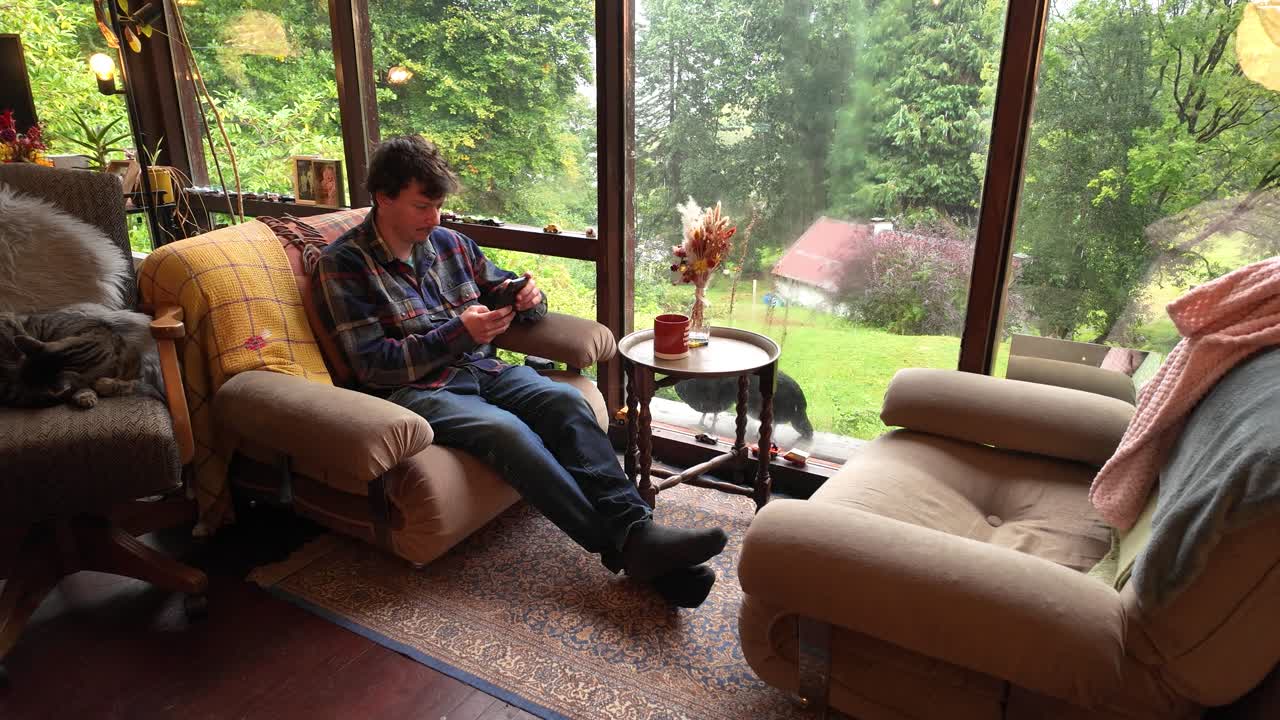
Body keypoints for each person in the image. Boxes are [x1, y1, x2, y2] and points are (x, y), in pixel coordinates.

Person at [312, 135, 727, 607]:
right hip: (415, 391)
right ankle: (632, 546)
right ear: (384, 198)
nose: (435, 218)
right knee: (506, 431)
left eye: (440, 206)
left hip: (482, 369)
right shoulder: (343, 266)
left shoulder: (450, 245)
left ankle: (638, 535)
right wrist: (458, 333)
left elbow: (504, 292)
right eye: (423, 207)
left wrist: (527, 297)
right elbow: (372, 365)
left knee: (565, 401)